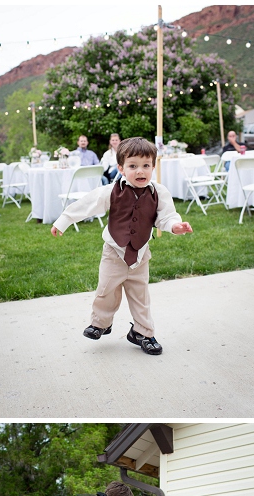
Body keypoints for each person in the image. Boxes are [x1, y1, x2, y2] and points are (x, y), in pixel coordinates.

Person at [51, 136, 194, 357]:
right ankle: (101, 324)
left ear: (153, 167)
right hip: (113, 252)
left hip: (140, 253)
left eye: (146, 166)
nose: (140, 171)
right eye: (133, 166)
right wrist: (64, 220)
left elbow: (166, 217)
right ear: (121, 168)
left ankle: (143, 333)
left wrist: (175, 226)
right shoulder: (111, 191)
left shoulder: (159, 192)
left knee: (141, 296)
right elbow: (87, 204)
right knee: (106, 290)